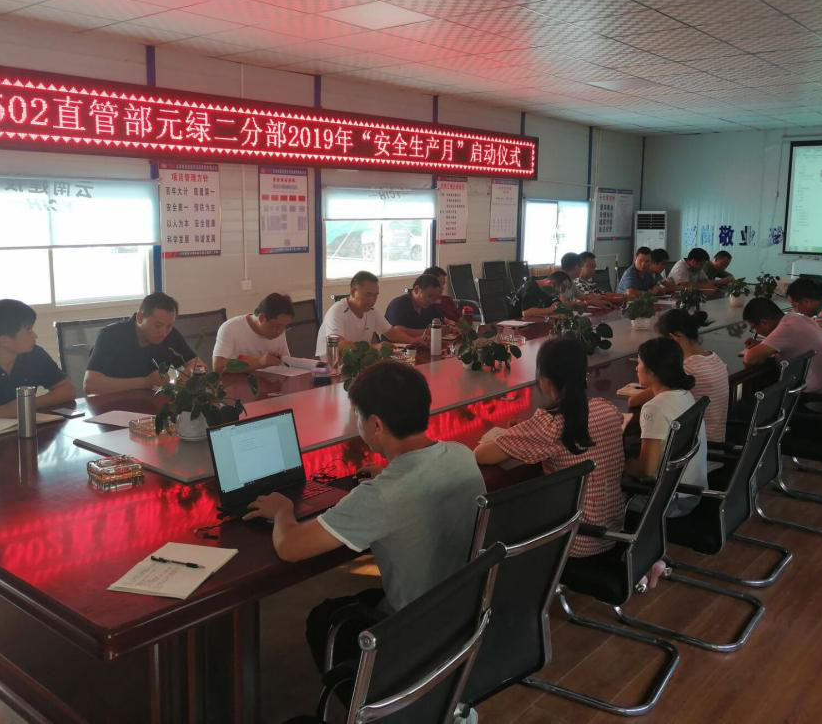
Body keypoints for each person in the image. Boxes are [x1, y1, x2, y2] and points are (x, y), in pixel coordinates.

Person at [242, 360, 485, 669]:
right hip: (462, 614)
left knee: (324, 619)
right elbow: (420, 483)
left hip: (413, 631)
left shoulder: (381, 495)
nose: (356, 422)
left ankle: (363, 696)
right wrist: (389, 474)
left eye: (357, 415)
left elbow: (290, 547)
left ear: (376, 425)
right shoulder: (461, 455)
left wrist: (282, 510)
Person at [474, 337, 626, 557]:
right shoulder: (606, 409)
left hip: (573, 540)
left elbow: (481, 455)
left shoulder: (551, 426)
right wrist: (526, 431)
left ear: (545, 381)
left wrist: (512, 434)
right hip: (610, 531)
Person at [626, 337, 708, 518]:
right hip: (692, 491)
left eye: (639, 363)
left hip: (668, 502)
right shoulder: (684, 394)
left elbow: (646, 471)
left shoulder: (654, 408)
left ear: (652, 371)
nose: (636, 368)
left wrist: (618, 465)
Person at [628, 309, 728, 443]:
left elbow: (634, 401)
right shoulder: (715, 358)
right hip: (712, 443)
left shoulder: (687, 369)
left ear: (675, 338)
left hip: (698, 446)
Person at [84, 292, 204, 394]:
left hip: (153, 404)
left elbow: (198, 365)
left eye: (169, 326)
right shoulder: (111, 335)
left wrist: (184, 380)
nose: (163, 332)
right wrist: (145, 382)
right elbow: (90, 385)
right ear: (140, 318)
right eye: (158, 325)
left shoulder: (171, 335)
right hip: (113, 405)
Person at [742, 297, 822, 397]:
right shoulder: (796, 318)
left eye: (754, 328)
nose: (756, 331)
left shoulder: (786, 328)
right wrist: (763, 344)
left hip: (818, 399)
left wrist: (748, 350)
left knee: (754, 394)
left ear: (764, 323)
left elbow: (750, 358)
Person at [315, 271, 425, 358]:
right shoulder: (337, 311)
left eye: (375, 295)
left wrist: (415, 341)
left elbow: (392, 333)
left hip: (359, 361)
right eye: (368, 295)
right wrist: (375, 347)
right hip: (332, 367)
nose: (372, 300)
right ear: (353, 292)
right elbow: (339, 344)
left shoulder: (372, 311)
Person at [212, 293, 292, 374]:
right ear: (262, 318)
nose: (280, 332)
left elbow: (287, 363)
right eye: (277, 326)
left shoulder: (280, 330)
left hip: (271, 380)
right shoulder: (230, 328)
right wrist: (259, 362)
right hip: (239, 380)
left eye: (284, 327)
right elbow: (218, 367)